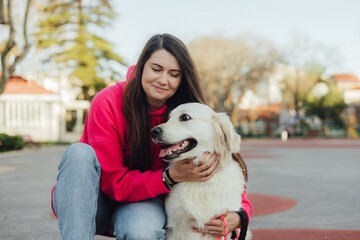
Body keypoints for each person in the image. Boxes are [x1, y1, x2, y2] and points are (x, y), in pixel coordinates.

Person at [51, 33, 252, 240]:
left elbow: (226, 164)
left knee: (142, 229)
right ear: (141, 67)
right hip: (92, 202)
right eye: (156, 69)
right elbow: (112, 182)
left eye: (174, 74)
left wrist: (241, 214)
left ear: (182, 78)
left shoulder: (187, 112)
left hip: (142, 202)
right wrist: (169, 177)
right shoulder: (107, 101)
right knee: (78, 153)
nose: (163, 80)